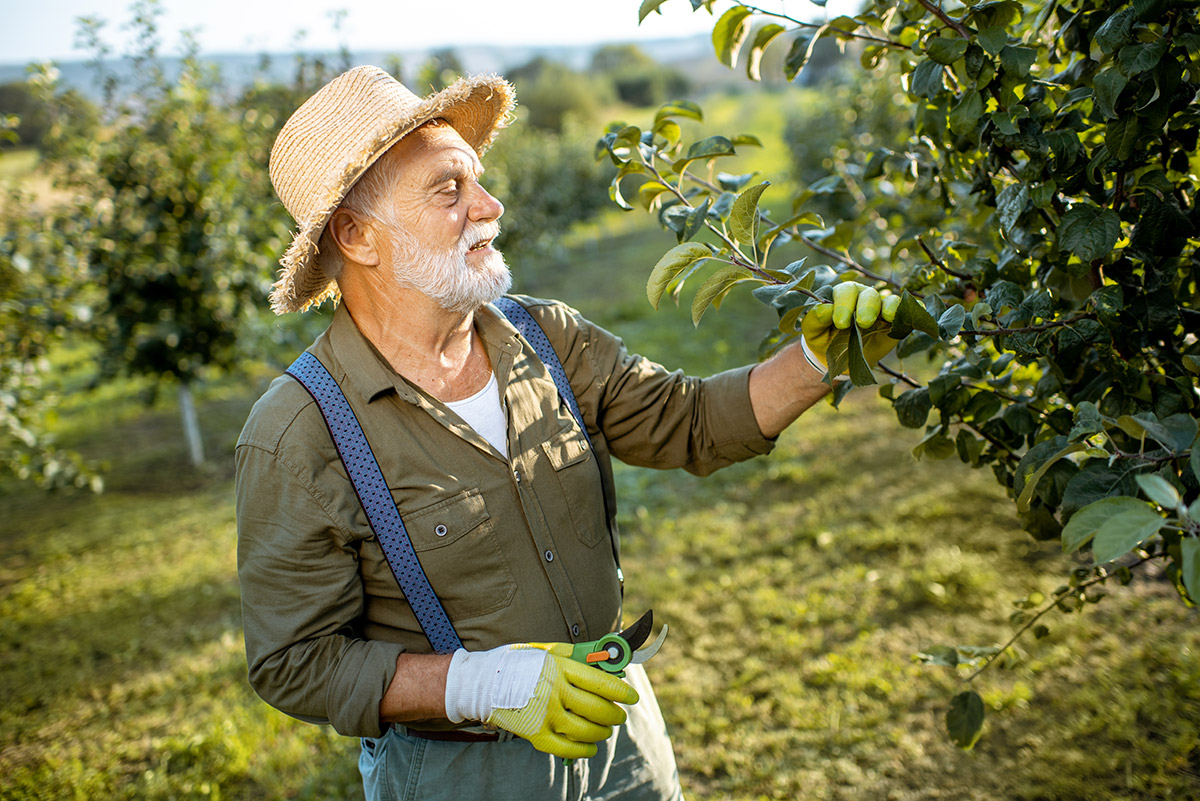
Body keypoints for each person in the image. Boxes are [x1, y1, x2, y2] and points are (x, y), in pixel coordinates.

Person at [235, 65, 897, 801]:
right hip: (465, 771)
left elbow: (690, 421)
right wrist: (491, 684)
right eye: (448, 189)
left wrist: (815, 359)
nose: (490, 206)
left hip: (618, 720)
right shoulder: (302, 431)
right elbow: (295, 660)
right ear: (358, 236)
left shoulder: (545, 336)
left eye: (477, 180)